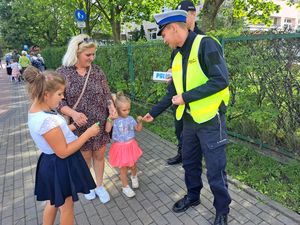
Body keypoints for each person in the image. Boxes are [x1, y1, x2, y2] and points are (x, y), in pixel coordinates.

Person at [143, 9, 231, 225]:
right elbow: (174, 93)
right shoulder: (177, 55)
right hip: (189, 121)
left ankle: (222, 210)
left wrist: (186, 97)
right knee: (190, 163)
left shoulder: (206, 44)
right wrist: (153, 113)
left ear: (174, 29)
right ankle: (193, 197)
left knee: (215, 169)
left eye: (164, 35)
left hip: (210, 119)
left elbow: (220, 80)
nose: (164, 40)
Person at [24, 66, 99, 225]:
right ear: (46, 95)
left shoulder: (37, 111)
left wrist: (75, 126)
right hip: (61, 165)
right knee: (67, 207)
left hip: (50, 163)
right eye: (59, 94)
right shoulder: (47, 120)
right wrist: (88, 134)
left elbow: (56, 134)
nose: (62, 97)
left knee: (53, 201)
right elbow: (63, 152)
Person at [57, 34, 117, 204]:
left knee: (99, 156)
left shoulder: (97, 71)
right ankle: (88, 185)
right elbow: (58, 101)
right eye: (88, 55)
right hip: (79, 126)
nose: (92, 58)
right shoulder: (62, 73)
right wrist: (74, 114)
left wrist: (111, 107)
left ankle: (99, 185)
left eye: (93, 54)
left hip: (99, 123)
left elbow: (106, 93)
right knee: (84, 158)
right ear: (76, 53)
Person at [151, 0, 205, 166]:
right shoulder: (176, 44)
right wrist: (170, 72)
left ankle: (192, 156)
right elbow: (175, 66)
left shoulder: (203, 41)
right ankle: (182, 154)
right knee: (179, 130)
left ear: (193, 14)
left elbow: (215, 79)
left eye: (185, 14)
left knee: (197, 144)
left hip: (198, 104)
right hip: (179, 100)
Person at [105, 92, 143, 198]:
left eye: (128, 109)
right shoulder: (114, 119)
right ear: (117, 108)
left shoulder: (130, 119)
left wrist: (140, 121)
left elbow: (138, 129)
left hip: (131, 146)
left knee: (133, 165)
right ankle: (125, 187)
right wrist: (110, 118)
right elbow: (107, 129)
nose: (127, 112)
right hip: (120, 148)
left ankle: (134, 176)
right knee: (123, 169)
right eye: (124, 110)